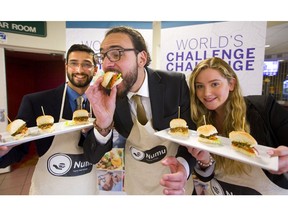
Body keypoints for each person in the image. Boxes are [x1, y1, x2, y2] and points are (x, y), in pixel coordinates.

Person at [83, 26, 214, 195]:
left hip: (176, 184)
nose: (107, 63)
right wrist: (103, 122)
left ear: (141, 58)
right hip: (137, 183)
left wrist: (184, 167)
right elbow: (92, 157)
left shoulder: (175, 84)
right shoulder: (105, 95)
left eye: (116, 53)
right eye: (103, 56)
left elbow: (191, 135)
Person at [0, 44, 110, 194]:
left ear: (95, 69)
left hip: (85, 189)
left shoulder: (104, 105)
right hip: (48, 190)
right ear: (66, 66)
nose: (79, 70)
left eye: (86, 64)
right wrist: (2, 153)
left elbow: (100, 151)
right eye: (73, 63)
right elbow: (18, 148)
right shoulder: (36, 102)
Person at [187, 57, 288, 195]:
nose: (206, 93)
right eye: (200, 86)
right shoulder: (199, 121)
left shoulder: (263, 108)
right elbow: (205, 176)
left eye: (215, 84)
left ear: (231, 84)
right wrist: (205, 161)